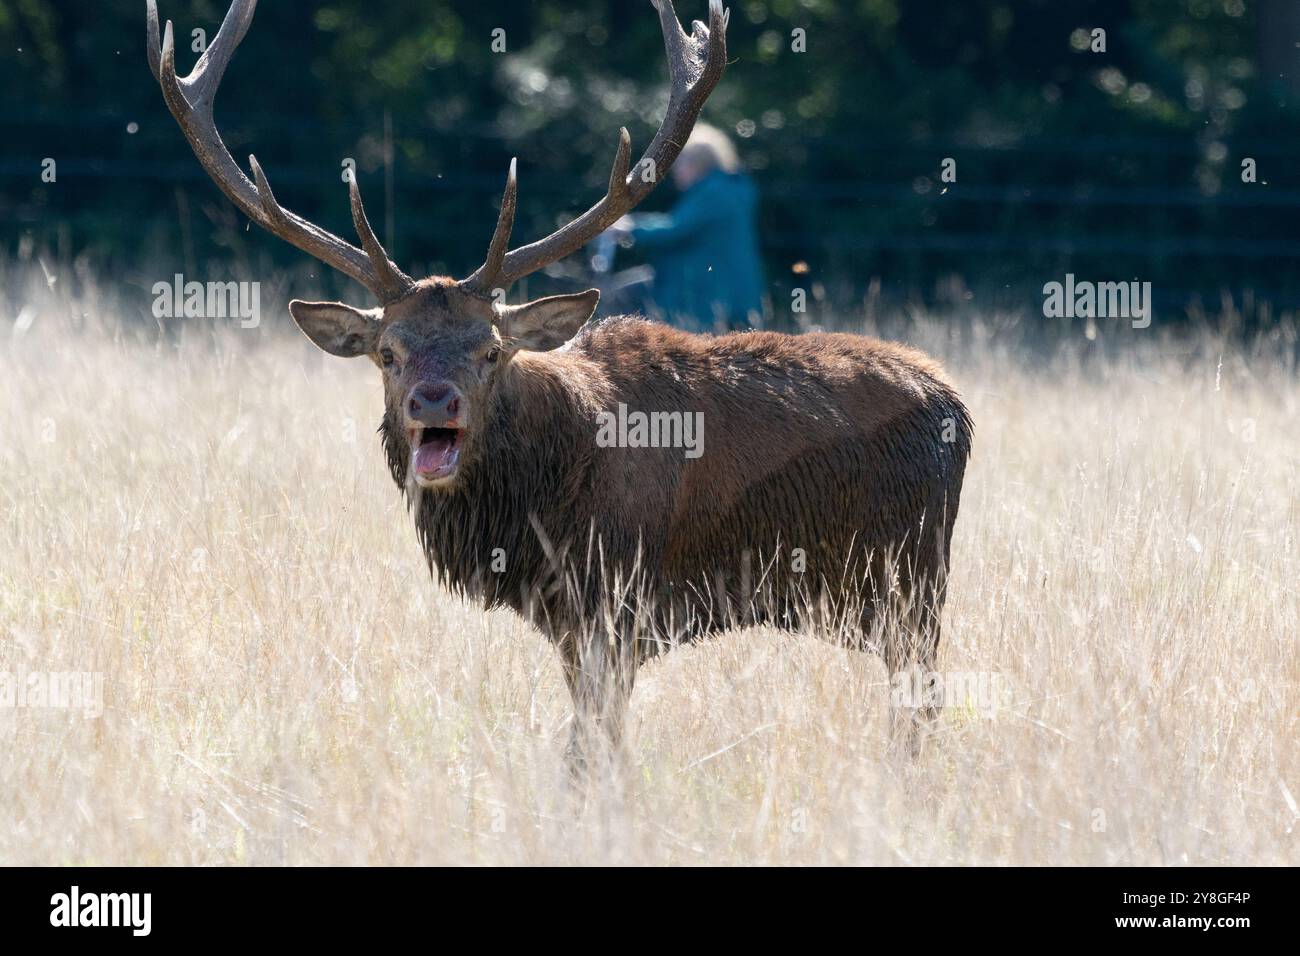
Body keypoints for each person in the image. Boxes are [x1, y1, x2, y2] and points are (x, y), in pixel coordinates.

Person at [607, 125, 766, 332]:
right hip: (732, 287)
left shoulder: (713, 192)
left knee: (618, 297)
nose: (675, 171)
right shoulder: (730, 189)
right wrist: (635, 222)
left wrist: (631, 229)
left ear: (697, 164)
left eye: (680, 163)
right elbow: (678, 221)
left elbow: (675, 228)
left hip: (709, 291)